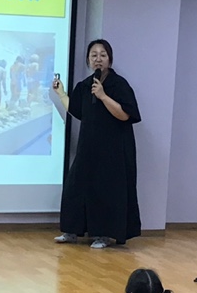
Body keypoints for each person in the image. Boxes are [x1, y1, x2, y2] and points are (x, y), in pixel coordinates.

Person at [52, 39, 142, 249]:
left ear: (109, 59)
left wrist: (102, 96)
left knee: (106, 190)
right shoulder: (85, 85)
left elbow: (125, 115)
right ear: (88, 60)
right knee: (76, 186)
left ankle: (103, 235)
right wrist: (61, 93)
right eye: (94, 55)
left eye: (102, 55)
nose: (98, 59)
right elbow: (76, 110)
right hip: (88, 147)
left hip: (113, 149)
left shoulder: (119, 85)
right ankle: (72, 231)